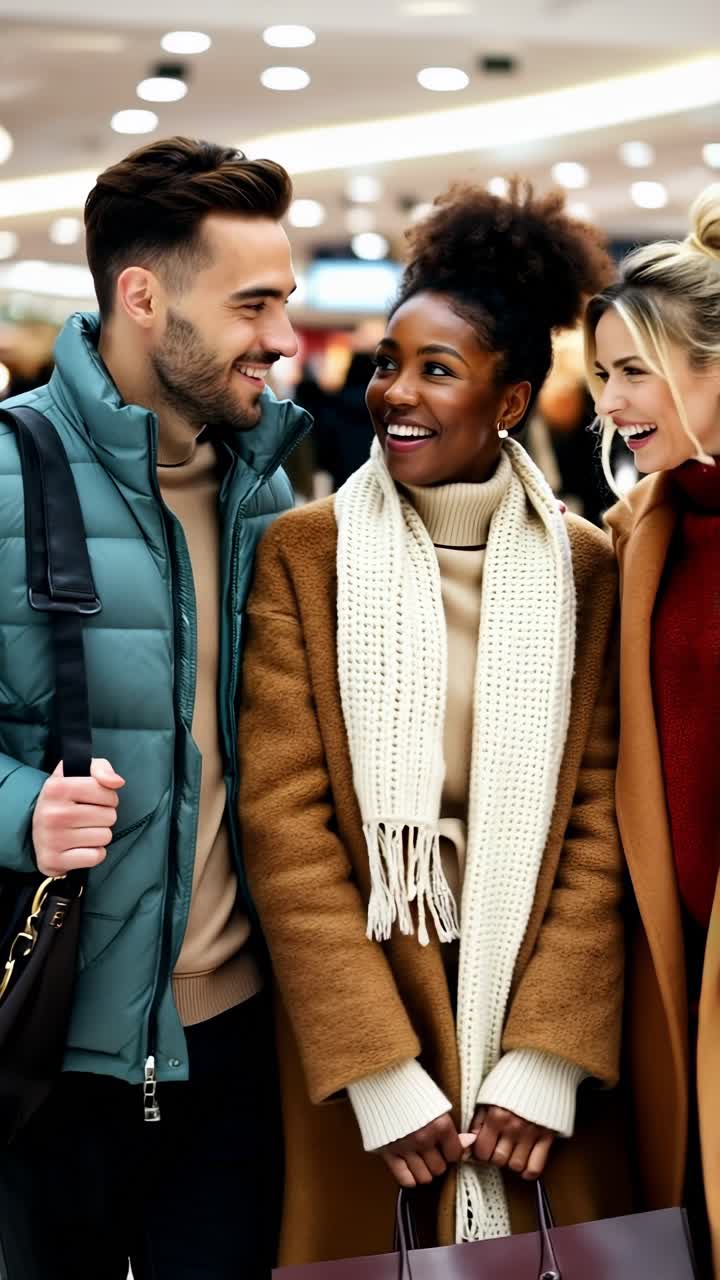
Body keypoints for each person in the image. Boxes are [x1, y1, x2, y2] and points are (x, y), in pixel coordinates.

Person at [239, 181, 631, 1267]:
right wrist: (375, 1065)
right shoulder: (304, 555)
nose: (394, 393)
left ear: (510, 402)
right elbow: (285, 823)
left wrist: (549, 1055)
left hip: (532, 1024)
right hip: (369, 1024)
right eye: (385, 362)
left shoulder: (583, 565)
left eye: (436, 370)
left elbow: (600, 823)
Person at [0, 135, 309, 1279]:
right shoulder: (7, 471)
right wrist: (21, 806)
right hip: (54, 1040)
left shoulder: (262, 487)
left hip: (233, 1046)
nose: (280, 337)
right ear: (142, 296)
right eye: (255, 302)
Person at [585, 182, 720, 1278]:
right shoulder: (644, 533)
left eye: (637, 370)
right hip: (669, 971)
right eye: (601, 376)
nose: (613, 402)